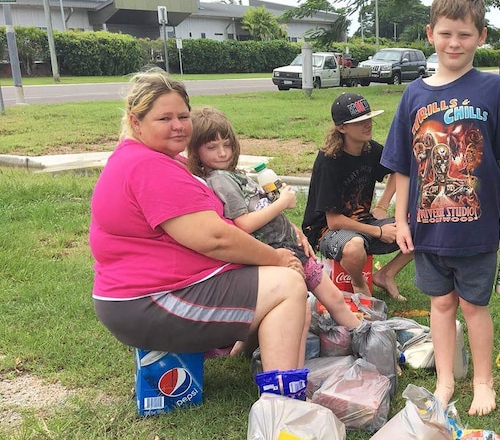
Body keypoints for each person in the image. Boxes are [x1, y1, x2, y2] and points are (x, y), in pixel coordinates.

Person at [89, 70, 309, 396]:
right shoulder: (149, 167)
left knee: (273, 280)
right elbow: (215, 238)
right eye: (164, 117)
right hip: (151, 301)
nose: (178, 125)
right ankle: (284, 405)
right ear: (136, 122)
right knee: (288, 284)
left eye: (183, 115)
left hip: (147, 295)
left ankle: (268, 364)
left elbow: (222, 224)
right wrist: (276, 257)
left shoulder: (151, 158)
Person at [381, 0, 500, 416]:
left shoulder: (496, 90)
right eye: (445, 34)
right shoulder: (413, 95)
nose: (454, 43)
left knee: (474, 306)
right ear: (430, 34)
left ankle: (483, 381)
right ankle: (445, 381)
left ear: (481, 36)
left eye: (464, 35)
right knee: (440, 304)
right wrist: (401, 220)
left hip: (478, 230)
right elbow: (404, 166)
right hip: (428, 229)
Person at [186, 106, 361, 332]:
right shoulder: (220, 180)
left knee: (325, 301)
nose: (222, 153)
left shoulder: (232, 175)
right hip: (278, 254)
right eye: (212, 147)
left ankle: (240, 349)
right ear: (196, 151)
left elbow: (261, 208)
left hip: (288, 247)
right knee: (328, 301)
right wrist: (283, 203)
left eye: (226, 145)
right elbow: (244, 223)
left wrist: (293, 228)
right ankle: (364, 336)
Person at [302, 92, 413, 301]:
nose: (367, 125)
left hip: (363, 223)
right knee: (354, 247)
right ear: (342, 128)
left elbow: (397, 168)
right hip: (326, 232)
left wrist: (382, 205)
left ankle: (385, 275)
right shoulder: (329, 161)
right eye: (360, 122)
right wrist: (378, 231)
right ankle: (359, 284)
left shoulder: (370, 149)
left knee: (423, 226)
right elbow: (333, 222)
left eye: (368, 118)